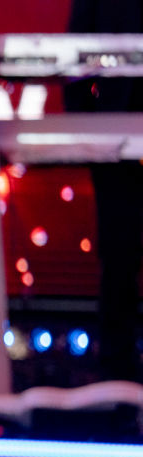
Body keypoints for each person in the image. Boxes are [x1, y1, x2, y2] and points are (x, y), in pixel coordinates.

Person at [64, 0, 143, 384]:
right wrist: (87, 128)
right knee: (119, 254)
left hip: (114, 126)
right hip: (114, 134)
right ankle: (117, 369)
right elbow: (75, 49)